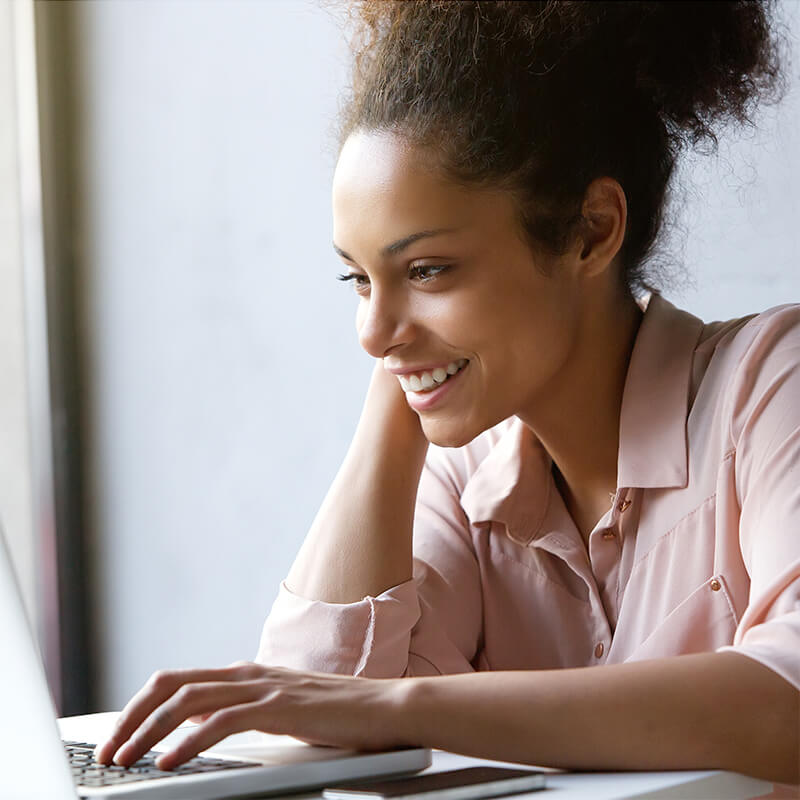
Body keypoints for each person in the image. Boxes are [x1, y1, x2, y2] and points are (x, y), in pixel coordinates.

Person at [95, 0, 799, 785]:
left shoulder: (769, 383)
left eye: (427, 269)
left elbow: (789, 700)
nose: (369, 330)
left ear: (591, 231)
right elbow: (317, 728)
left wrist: (406, 707)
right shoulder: (464, 482)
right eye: (357, 278)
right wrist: (403, 379)